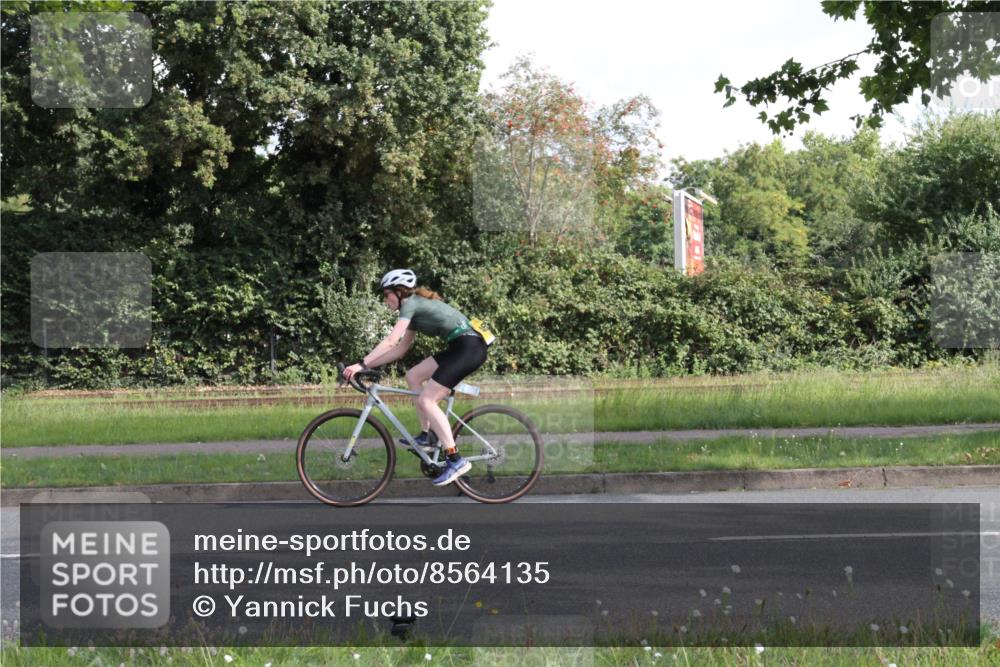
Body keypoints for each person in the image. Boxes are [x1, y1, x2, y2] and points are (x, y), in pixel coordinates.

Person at [342, 269, 490, 486]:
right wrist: (365, 366)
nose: (385, 300)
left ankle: (455, 459)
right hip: (461, 347)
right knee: (413, 376)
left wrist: (361, 364)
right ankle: (427, 435)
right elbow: (400, 350)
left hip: (469, 348)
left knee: (427, 400)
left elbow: (390, 341)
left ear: (399, 292)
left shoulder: (410, 304)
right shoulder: (413, 309)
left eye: (387, 294)